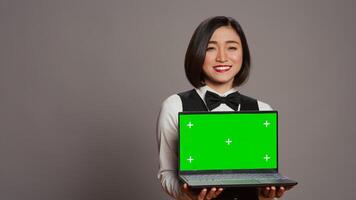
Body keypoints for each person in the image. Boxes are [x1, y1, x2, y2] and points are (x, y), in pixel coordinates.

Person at [157, 16, 288, 200]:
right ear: (198, 53)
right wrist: (187, 194)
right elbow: (167, 173)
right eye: (210, 48)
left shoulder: (262, 109)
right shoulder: (174, 105)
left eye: (232, 47)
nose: (222, 57)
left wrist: (267, 196)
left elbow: (262, 173)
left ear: (244, 54)